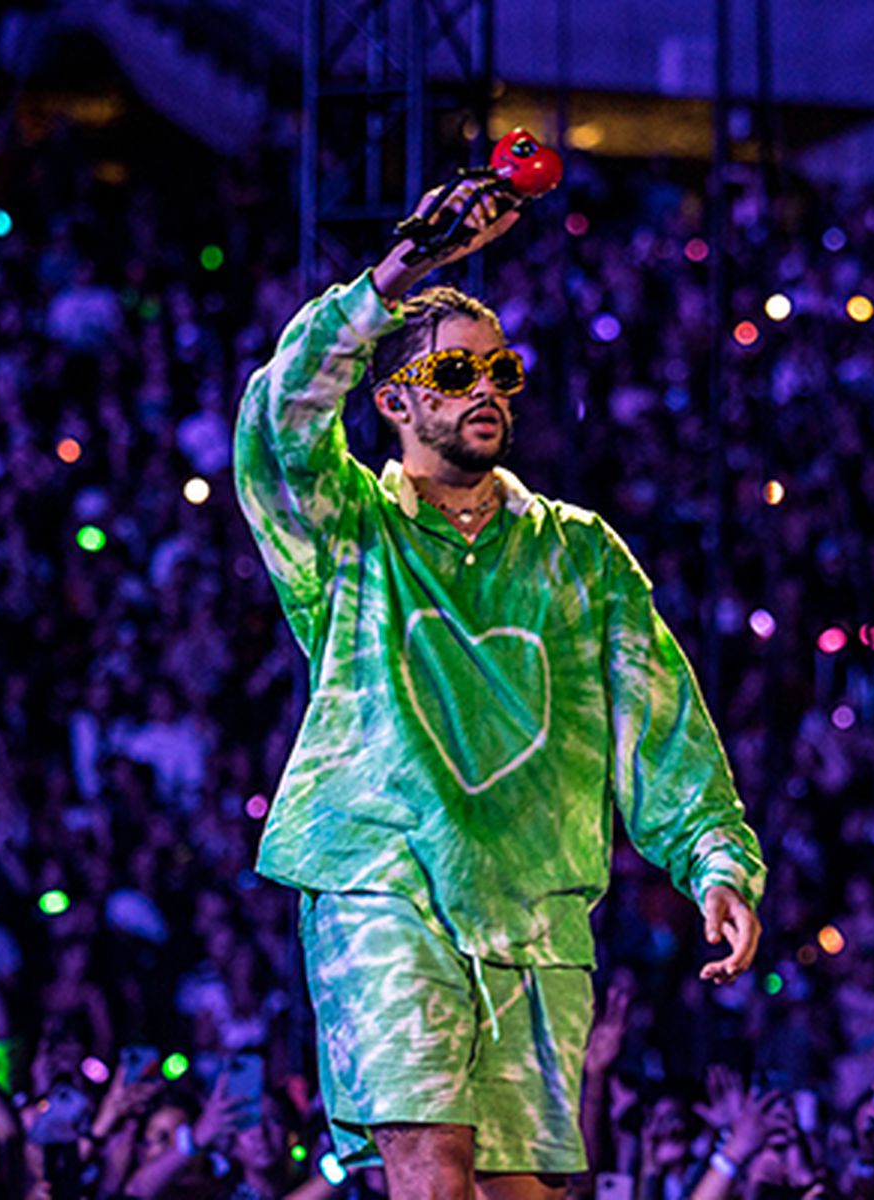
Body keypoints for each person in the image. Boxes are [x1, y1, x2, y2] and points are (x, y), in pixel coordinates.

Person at [233, 180, 766, 1200]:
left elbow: (656, 720)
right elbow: (279, 421)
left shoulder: (578, 553)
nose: (487, 388)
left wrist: (714, 860)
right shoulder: (349, 535)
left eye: (501, 372)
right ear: (392, 400)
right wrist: (400, 273)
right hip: (381, 885)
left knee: (520, 1193)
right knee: (431, 1167)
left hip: (534, 910)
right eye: (455, 370)